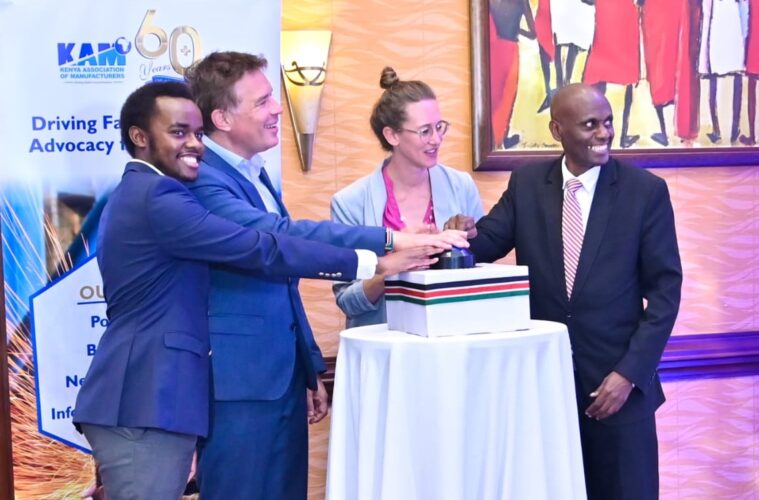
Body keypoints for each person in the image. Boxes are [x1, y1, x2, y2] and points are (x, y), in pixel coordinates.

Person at [72, 81, 406, 499]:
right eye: (178, 132)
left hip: (153, 399)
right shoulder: (157, 195)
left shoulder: (144, 192)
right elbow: (258, 247)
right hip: (145, 398)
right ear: (139, 137)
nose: (195, 144)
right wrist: (374, 261)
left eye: (197, 133)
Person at [183, 51, 467, 500]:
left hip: (280, 377)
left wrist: (309, 364)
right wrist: (389, 246)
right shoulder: (204, 180)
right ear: (222, 117)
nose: (277, 109)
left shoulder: (254, 174)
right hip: (239, 384)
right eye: (262, 101)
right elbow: (283, 240)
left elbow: (282, 283)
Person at [446, 83, 682, 500]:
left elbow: (666, 291)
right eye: (590, 125)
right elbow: (484, 244)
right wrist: (459, 236)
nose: (604, 133)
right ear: (557, 130)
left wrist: (630, 374)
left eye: (607, 122)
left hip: (618, 390)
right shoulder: (527, 183)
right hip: (545, 388)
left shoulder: (644, 191)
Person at [331, 67, 484, 328]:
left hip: (455, 334)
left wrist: (469, 241)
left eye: (439, 127)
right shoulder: (350, 202)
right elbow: (347, 301)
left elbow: (480, 273)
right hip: (387, 342)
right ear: (392, 135)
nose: (436, 139)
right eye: (425, 131)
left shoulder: (461, 186)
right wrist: (390, 268)